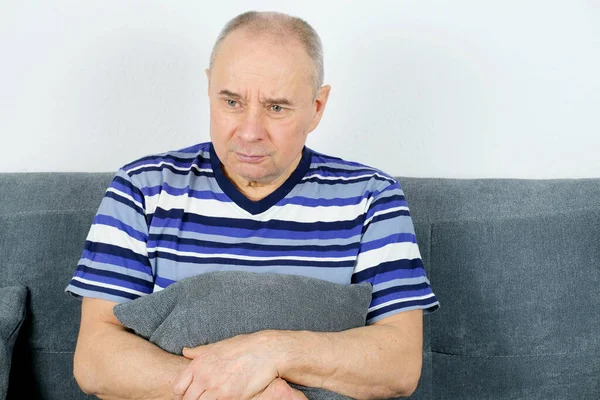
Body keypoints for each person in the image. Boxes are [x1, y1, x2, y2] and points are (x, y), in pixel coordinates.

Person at [66, 10, 439, 400]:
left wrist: (271, 352)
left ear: (317, 107)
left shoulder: (373, 198)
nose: (249, 131)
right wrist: (258, 394)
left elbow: (400, 364)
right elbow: (95, 358)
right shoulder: (141, 189)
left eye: (276, 108)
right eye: (231, 101)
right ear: (209, 87)